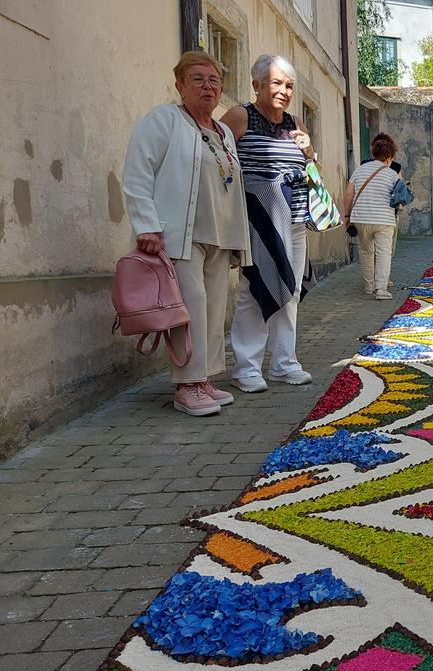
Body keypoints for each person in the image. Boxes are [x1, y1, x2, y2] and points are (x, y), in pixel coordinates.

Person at [122, 51, 252, 416]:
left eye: (213, 80)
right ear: (179, 85)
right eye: (197, 79)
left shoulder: (224, 130)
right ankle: (186, 384)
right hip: (179, 234)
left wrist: (239, 241)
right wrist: (145, 223)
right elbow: (137, 171)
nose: (207, 86)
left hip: (219, 235)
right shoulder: (164, 120)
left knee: (212, 309)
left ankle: (206, 377)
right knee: (190, 307)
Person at [221, 54, 316, 393]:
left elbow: (308, 166)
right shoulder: (239, 116)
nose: (284, 90)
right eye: (276, 83)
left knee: (289, 290)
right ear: (257, 84)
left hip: (293, 219)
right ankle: (247, 367)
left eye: (289, 85)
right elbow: (217, 160)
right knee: (254, 288)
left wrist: (309, 151)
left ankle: (284, 362)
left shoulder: (294, 122)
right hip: (258, 219)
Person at [345, 133, 402, 300]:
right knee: (384, 253)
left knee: (365, 251)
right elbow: (399, 198)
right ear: (389, 157)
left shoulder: (359, 170)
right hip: (384, 220)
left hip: (361, 218)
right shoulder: (392, 174)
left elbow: (349, 194)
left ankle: (368, 285)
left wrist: (346, 216)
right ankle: (381, 289)